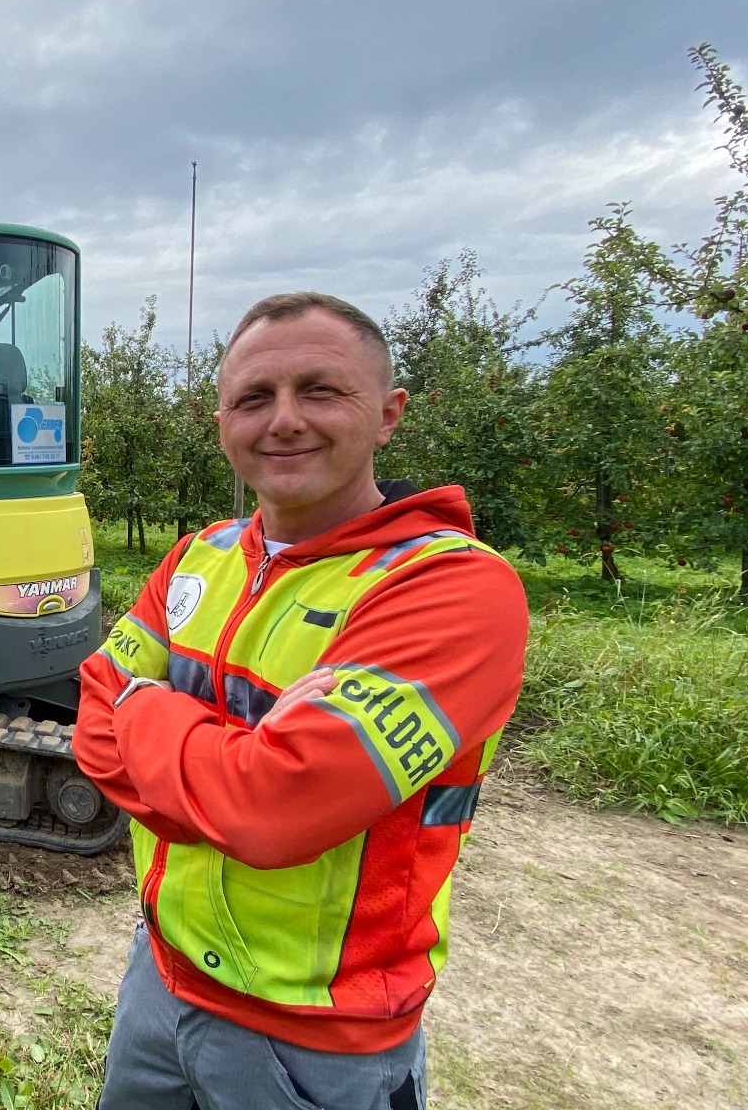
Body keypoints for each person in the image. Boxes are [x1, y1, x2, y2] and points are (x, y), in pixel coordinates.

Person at [75, 292, 528, 1110]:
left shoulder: (450, 589)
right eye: (254, 397)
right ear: (222, 423)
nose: (283, 420)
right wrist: (243, 756)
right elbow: (91, 724)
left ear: (388, 414)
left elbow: (272, 812)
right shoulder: (198, 558)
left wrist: (148, 711)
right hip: (161, 976)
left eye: (321, 390)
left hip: (315, 1038)